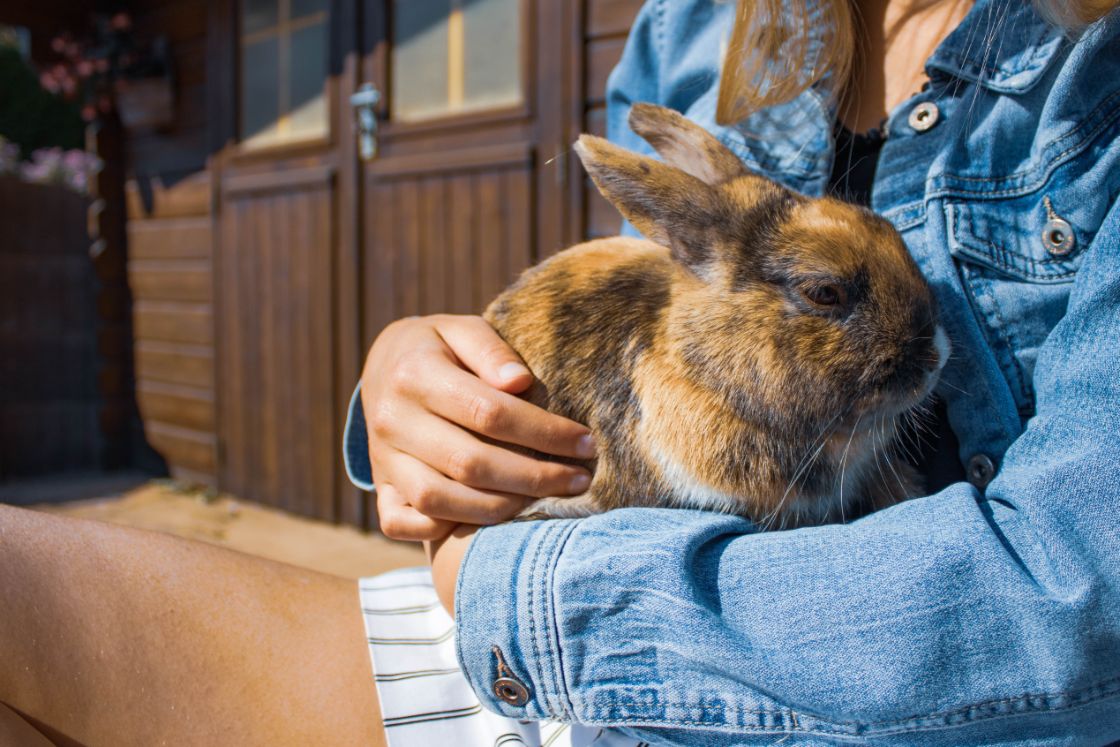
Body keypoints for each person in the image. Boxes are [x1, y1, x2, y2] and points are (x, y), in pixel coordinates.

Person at [1, 0, 1118, 744]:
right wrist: (426, 387)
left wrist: (517, 597)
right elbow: (616, 299)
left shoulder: (1090, 65)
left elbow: (1075, 604)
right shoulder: (704, 28)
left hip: (861, 681)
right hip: (585, 631)